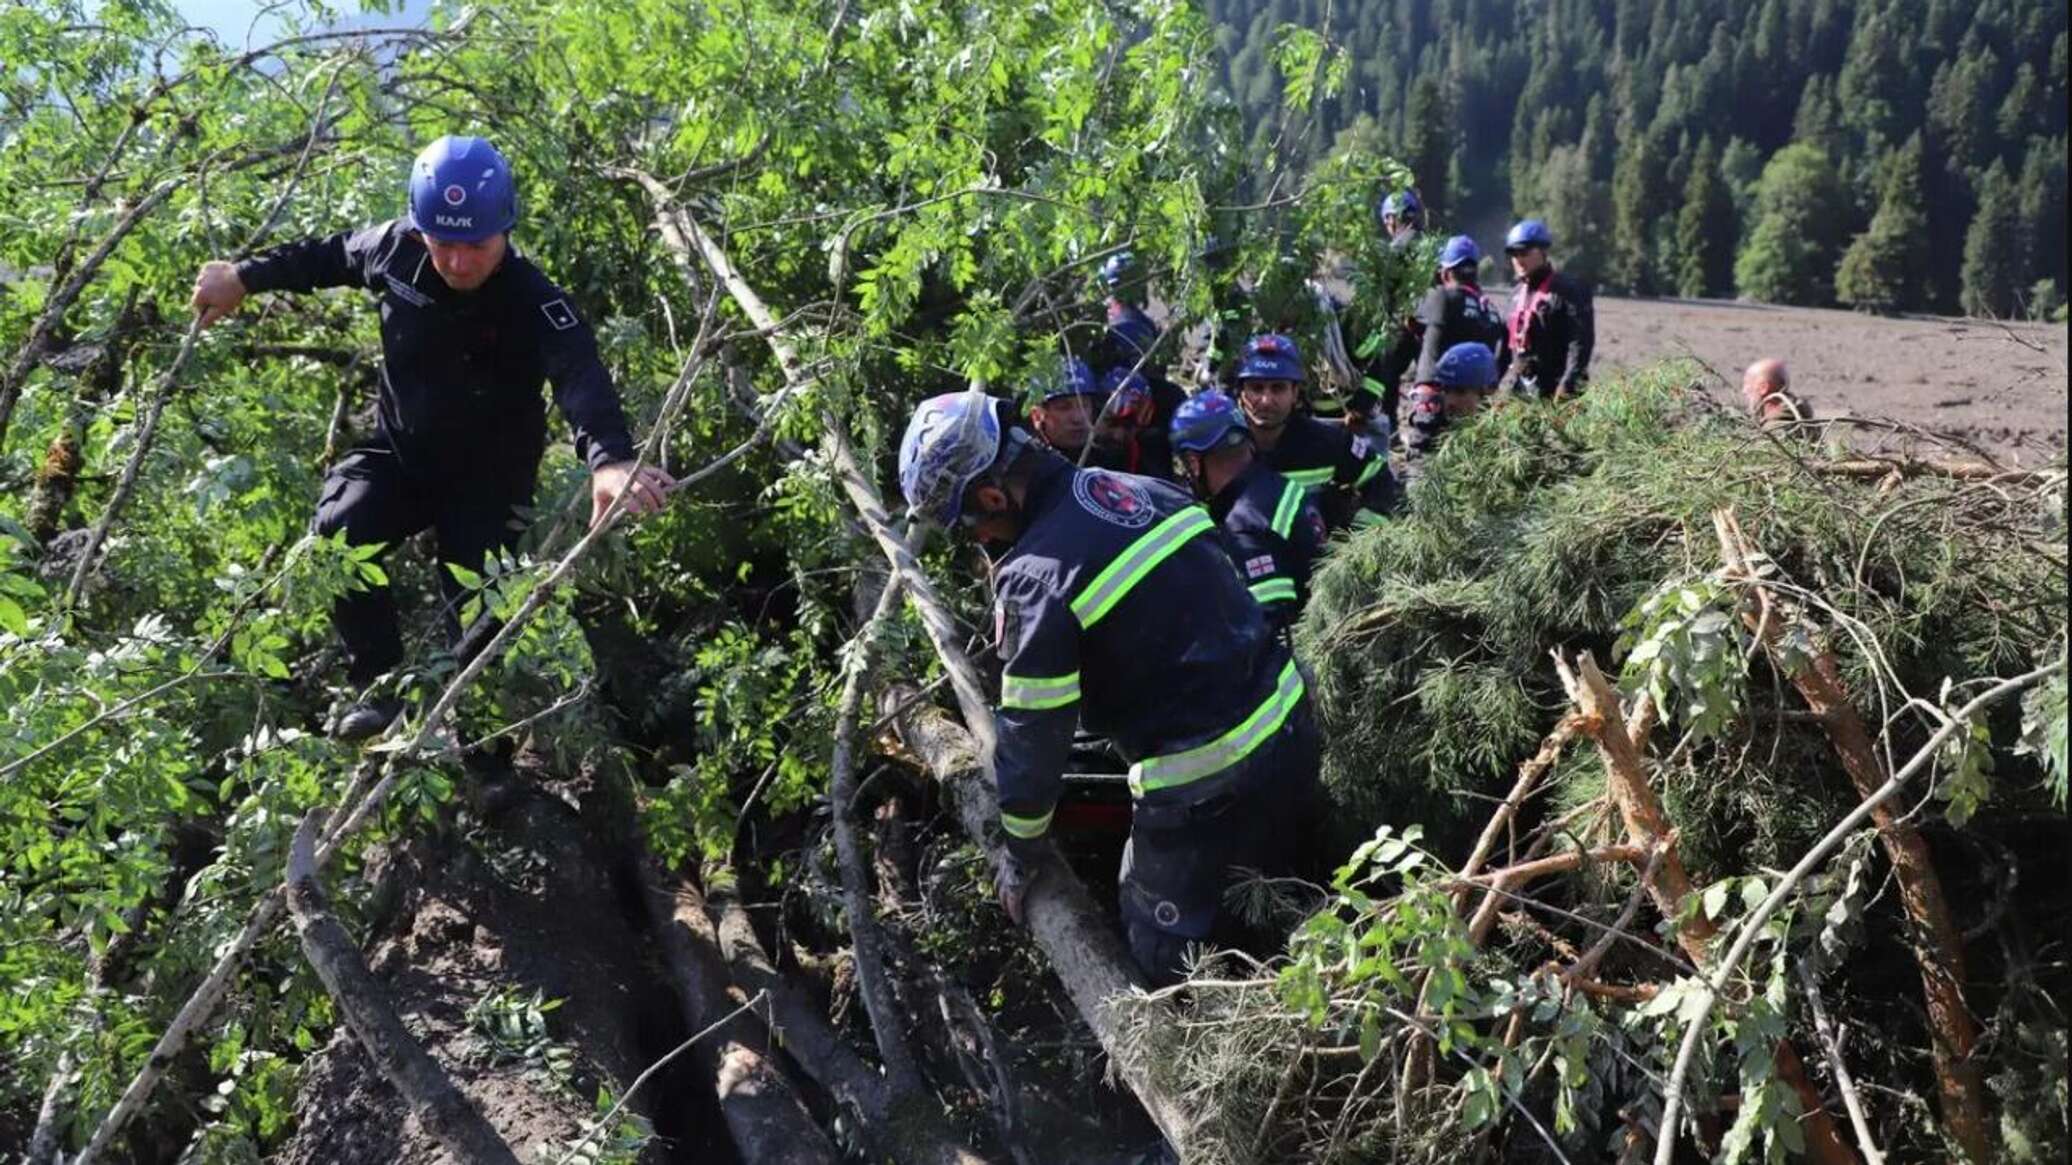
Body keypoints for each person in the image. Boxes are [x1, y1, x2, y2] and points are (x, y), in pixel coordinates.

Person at [189, 135, 673, 740]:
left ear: (505, 230)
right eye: (444, 243)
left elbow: (580, 378)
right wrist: (242, 276)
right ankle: (380, 692)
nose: (459, 261)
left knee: (478, 621)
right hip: (402, 454)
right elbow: (329, 255)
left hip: (488, 484)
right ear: (422, 232)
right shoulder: (396, 249)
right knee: (339, 532)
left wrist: (609, 462)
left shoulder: (535, 299)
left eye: (476, 245)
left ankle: (483, 757)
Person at [898, 389, 1320, 985]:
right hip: (1291, 721)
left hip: (1208, 781)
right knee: (1278, 881)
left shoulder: (1033, 579)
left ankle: (1202, 1047)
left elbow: (1033, 733)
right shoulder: (1138, 488)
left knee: (1157, 937)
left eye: (971, 525)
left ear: (993, 496)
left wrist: (1019, 854)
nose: (977, 540)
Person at [1168, 390, 1326, 630]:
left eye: (1183, 464)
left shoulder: (1242, 525)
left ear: (1193, 462)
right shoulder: (1274, 486)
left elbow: (1270, 624)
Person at [1231, 333, 1399, 531]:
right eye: (1256, 388)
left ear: (1295, 393)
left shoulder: (1326, 442)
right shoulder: (1220, 447)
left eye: (1278, 389)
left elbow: (1378, 475)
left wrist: (1361, 537)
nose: (1266, 400)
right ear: (1241, 393)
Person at [1353, 235, 1505, 431]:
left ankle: (1387, 422)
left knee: (1394, 344)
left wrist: (1425, 386)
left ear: (1445, 273)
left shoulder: (1441, 297)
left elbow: (1417, 324)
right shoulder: (1491, 309)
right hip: (1479, 399)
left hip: (1443, 396)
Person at [1499, 219, 1594, 400]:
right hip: (1522, 391)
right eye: (1513, 253)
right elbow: (1504, 348)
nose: (1518, 259)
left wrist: (1569, 384)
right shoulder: (1515, 295)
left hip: (1560, 391)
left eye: (1524, 252)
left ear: (1542, 251)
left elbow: (1580, 342)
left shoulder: (1569, 289)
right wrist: (1490, 385)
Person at [1402, 342, 1500, 488]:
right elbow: (1418, 477)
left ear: (1487, 393)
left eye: (1460, 392)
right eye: (1446, 390)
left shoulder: (1504, 426)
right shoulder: (1430, 419)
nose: (1450, 401)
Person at [1091, 365, 1174, 481]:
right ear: (1092, 414)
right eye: (1111, 423)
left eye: (1128, 426)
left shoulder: (1148, 458)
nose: (1118, 436)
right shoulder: (1070, 454)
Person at [1025, 358, 1107, 462]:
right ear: (1037, 415)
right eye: (1063, 407)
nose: (1077, 418)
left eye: (1084, 405)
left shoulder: (1112, 461)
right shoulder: (1025, 466)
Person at [1741, 358, 1808, 426]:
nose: (1744, 391)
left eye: (1747, 384)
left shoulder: (1775, 429)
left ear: (1763, 388)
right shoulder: (1801, 417)